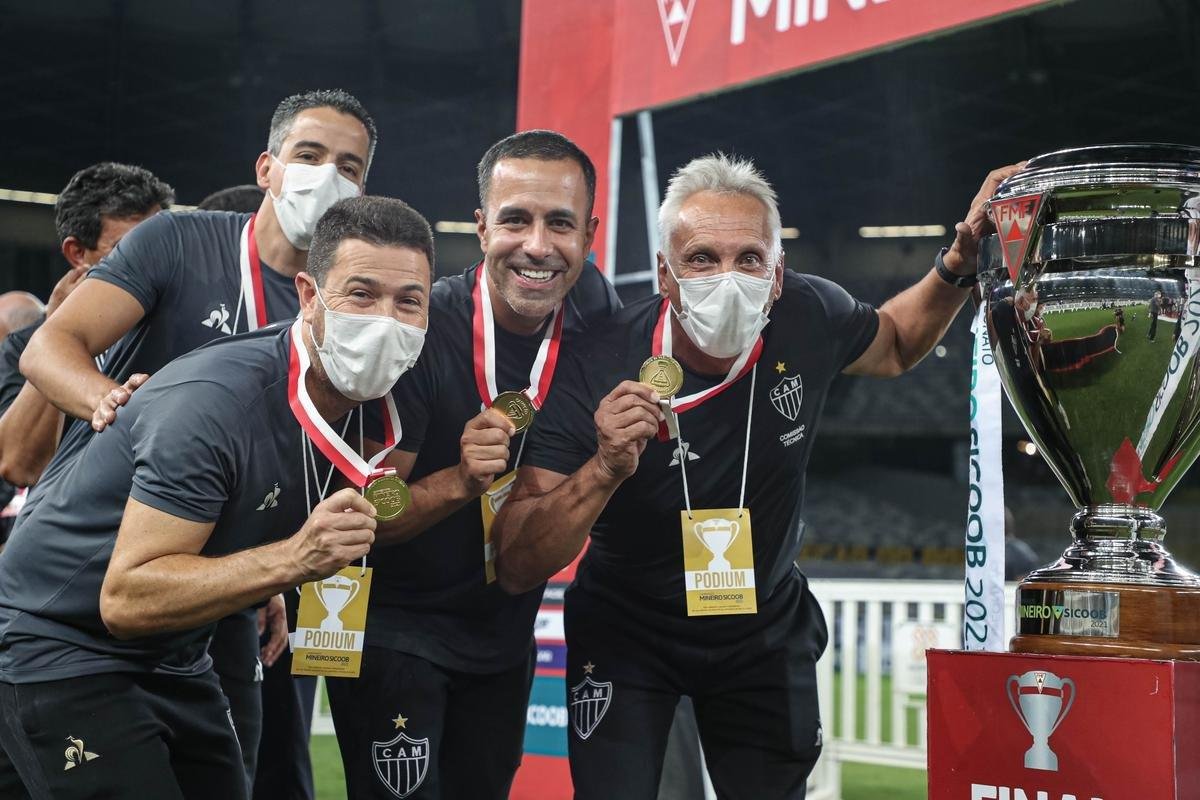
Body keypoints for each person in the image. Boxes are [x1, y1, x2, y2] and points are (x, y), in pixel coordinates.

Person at [491, 153, 1022, 798]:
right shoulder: (597, 358)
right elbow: (518, 560)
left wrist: (957, 265)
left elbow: (897, 342)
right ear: (665, 274)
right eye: (702, 260)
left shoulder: (808, 313)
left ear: (777, 276)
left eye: (750, 260)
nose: (728, 279)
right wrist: (603, 469)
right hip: (628, 631)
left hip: (761, 626)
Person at [0, 195, 434, 799]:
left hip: (180, 650)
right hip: (62, 642)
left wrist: (263, 577)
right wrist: (290, 560)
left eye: (409, 301)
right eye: (361, 294)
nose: (386, 320)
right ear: (309, 295)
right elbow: (125, 599)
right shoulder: (215, 403)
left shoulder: (375, 408)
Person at [325, 130, 620, 800]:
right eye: (516, 219)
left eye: (561, 224)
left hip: (503, 639)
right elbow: (365, 511)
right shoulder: (420, 329)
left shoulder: (599, 329)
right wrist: (460, 482)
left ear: (590, 235)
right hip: (396, 632)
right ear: (482, 226)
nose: (538, 246)